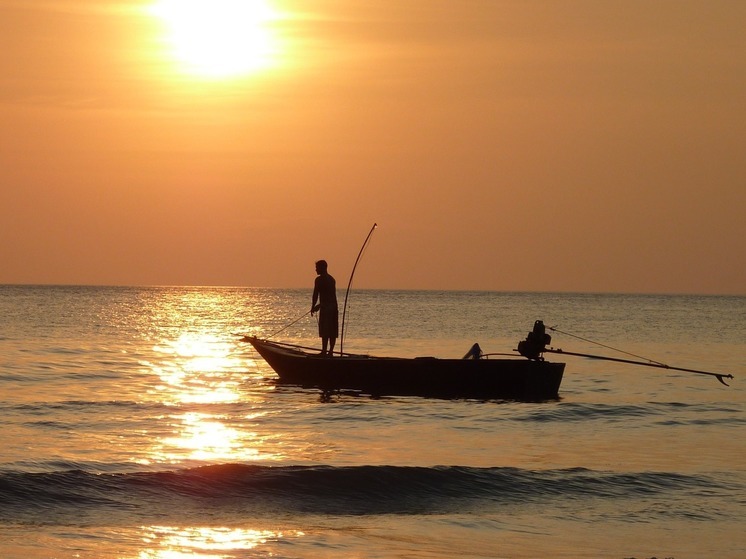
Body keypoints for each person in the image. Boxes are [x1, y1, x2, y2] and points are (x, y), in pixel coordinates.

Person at [311, 260, 339, 356]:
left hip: (326, 308)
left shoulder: (319, 280)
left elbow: (316, 294)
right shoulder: (332, 279)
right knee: (332, 330)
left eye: (317, 267)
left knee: (325, 330)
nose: (316, 270)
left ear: (323, 268)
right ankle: (330, 351)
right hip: (334, 307)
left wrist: (314, 306)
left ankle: (324, 351)